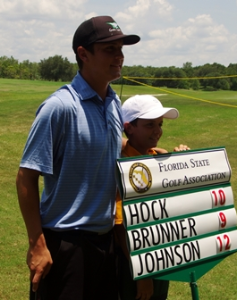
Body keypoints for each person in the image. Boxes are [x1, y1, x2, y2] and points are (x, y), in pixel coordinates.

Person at [16, 15, 140, 300]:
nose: (120, 56)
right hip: (65, 244)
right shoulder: (58, 108)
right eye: (110, 49)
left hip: (105, 242)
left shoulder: (113, 102)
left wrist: (148, 155)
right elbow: (26, 176)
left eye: (121, 49)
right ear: (83, 54)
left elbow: (106, 143)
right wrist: (37, 243)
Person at [115, 94, 189, 300]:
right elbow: (122, 228)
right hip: (135, 264)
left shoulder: (158, 157)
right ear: (129, 127)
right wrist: (142, 275)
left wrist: (183, 164)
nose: (158, 130)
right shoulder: (124, 166)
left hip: (160, 256)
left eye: (160, 124)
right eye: (149, 125)